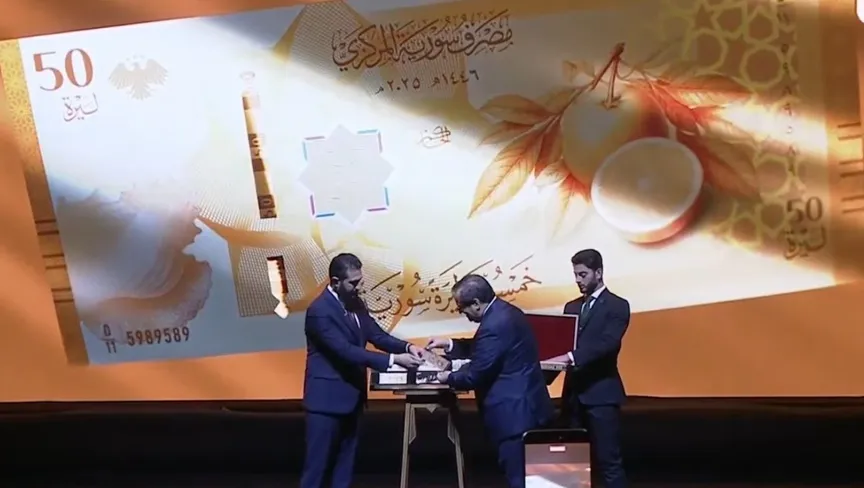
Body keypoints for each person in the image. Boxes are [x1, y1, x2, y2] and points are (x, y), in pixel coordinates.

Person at [301, 253, 423, 488]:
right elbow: (345, 351)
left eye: (360, 281)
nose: (359, 287)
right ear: (335, 282)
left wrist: (408, 347)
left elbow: (376, 335)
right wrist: (394, 360)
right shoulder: (319, 311)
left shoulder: (356, 303)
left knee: (344, 468)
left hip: (352, 399)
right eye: (353, 283)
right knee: (317, 471)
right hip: (326, 403)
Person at [427, 274, 554, 488]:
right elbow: (485, 348)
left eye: (462, 308)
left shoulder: (494, 324)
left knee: (519, 480)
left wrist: (447, 377)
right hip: (527, 409)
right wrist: (449, 344)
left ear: (476, 303)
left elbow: (476, 374)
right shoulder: (505, 312)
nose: (463, 313)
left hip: (514, 417)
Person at [551, 248, 630, 488]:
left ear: (599, 272)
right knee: (571, 464)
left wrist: (571, 357)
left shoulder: (617, 306)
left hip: (601, 396)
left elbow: (608, 343)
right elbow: (561, 345)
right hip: (573, 397)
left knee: (608, 462)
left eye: (583, 274)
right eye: (575, 275)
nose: (578, 280)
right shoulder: (571, 307)